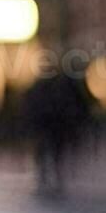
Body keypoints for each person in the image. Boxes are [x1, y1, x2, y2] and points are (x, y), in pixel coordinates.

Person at [23, 67, 91, 196]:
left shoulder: (43, 89)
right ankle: (50, 179)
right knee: (53, 153)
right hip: (51, 125)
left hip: (49, 125)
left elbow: (31, 105)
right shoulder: (60, 89)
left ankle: (46, 178)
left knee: (48, 152)